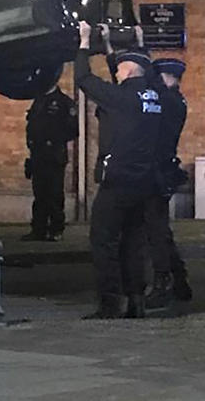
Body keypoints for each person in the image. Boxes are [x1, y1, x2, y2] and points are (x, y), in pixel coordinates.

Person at [76, 22, 162, 319]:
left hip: (118, 183)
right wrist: (131, 45)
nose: (117, 72)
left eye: (119, 69)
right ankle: (136, 300)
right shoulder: (154, 97)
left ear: (126, 72)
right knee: (133, 243)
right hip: (145, 184)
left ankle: (110, 303)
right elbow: (140, 70)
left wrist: (85, 42)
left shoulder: (121, 99)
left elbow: (83, 78)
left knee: (104, 241)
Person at [145, 57, 191, 308]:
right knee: (160, 230)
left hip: (158, 173)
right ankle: (179, 280)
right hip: (161, 171)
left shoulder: (170, 101)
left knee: (156, 231)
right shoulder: (174, 99)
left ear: (169, 77)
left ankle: (164, 283)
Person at [23, 78, 78, 241]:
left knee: (54, 194)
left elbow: (73, 129)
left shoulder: (64, 102)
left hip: (54, 155)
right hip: (37, 155)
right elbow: (31, 126)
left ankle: (56, 229)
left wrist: (54, 140)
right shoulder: (39, 101)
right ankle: (38, 229)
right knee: (39, 194)